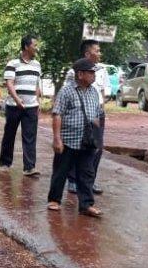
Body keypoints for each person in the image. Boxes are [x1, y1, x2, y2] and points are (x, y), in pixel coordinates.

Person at [47, 58, 103, 217]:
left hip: (87, 141)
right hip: (68, 140)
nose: (94, 75)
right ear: (80, 74)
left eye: (94, 72)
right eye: (91, 72)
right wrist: (57, 138)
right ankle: (54, 200)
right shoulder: (66, 91)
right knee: (61, 171)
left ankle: (86, 205)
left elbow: (96, 115)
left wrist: (97, 137)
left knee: (87, 173)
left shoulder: (93, 92)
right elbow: (57, 114)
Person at [64, 40, 107, 195]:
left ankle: (90, 181)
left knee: (96, 148)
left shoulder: (102, 70)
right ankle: (73, 181)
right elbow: (69, 91)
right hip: (80, 115)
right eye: (97, 50)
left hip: (97, 114)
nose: (100, 53)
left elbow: (102, 91)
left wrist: (103, 108)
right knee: (78, 147)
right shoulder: (74, 71)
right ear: (88, 53)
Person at [0, 35, 42, 176]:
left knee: (30, 136)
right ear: (26, 47)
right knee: (9, 134)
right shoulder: (13, 63)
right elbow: (9, 83)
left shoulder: (37, 65)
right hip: (14, 106)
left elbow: (37, 84)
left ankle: (29, 167)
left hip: (31, 107)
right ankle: (5, 163)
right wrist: (17, 99)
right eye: (34, 45)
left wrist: (38, 101)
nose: (36, 48)